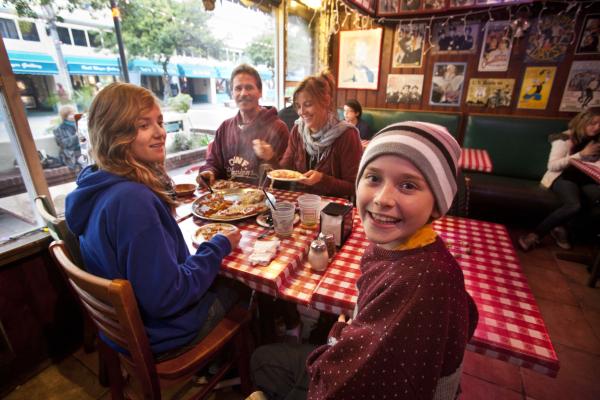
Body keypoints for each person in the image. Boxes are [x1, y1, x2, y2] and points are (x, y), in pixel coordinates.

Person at [250, 122, 478, 400]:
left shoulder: (419, 281)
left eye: (408, 185)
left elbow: (343, 387)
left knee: (263, 362)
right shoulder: (409, 246)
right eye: (373, 178)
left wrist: (337, 334)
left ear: (438, 203)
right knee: (268, 360)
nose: (382, 199)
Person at [65, 82, 242, 357]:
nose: (160, 132)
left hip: (122, 330)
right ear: (115, 133)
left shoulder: (93, 184)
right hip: (164, 334)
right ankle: (230, 364)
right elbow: (167, 297)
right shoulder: (132, 200)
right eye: (143, 125)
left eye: (160, 122)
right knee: (245, 288)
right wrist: (218, 245)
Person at [519, 108, 600, 251]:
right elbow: (553, 166)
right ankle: (534, 235)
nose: (597, 127)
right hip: (563, 177)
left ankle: (563, 229)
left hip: (587, 179)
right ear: (582, 122)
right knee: (574, 205)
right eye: (593, 123)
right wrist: (581, 155)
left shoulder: (597, 141)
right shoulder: (564, 139)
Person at [197, 64, 289, 186]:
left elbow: (288, 176)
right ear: (232, 93)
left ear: (260, 92)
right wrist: (209, 172)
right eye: (238, 88)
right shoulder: (225, 128)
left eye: (249, 87)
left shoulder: (278, 128)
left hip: (264, 199)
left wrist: (271, 158)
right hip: (228, 200)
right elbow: (213, 163)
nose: (243, 93)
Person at [276, 71, 363, 198]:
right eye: (298, 106)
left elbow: (355, 187)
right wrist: (270, 159)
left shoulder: (347, 135)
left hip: (333, 211)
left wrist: (323, 180)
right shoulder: (297, 131)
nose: (301, 112)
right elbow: (284, 171)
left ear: (326, 101)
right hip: (301, 205)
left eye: (308, 104)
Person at [53, 105, 82, 170]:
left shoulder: (80, 124)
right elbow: (63, 144)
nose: (73, 115)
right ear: (64, 117)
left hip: (83, 150)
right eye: (70, 114)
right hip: (71, 154)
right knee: (84, 161)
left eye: (74, 113)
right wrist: (76, 136)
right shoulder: (60, 129)